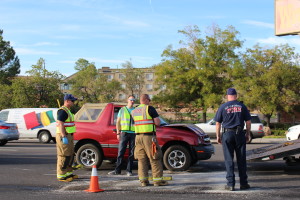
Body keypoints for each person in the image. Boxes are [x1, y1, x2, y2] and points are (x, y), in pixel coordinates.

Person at [215, 88, 251, 191]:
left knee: (229, 160)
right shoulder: (242, 106)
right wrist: (247, 134)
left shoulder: (222, 107)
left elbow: (218, 123)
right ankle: (244, 183)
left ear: (227, 96)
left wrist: (218, 136)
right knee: (241, 159)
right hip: (239, 134)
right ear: (236, 95)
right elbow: (248, 122)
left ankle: (231, 184)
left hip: (227, 134)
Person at [131, 94, 168, 187]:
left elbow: (133, 124)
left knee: (141, 160)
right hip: (149, 137)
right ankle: (158, 181)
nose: (150, 101)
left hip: (138, 138)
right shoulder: (149, 109)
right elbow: (157, 122)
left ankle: (143, 181)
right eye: (149, 100)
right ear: (146, 100)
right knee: (155, 158)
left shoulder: (134, 111)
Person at [108, 95, 136, 176]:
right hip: (124, 133)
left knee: (131, 153)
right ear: (128, 100)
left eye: (134, 100)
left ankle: (129, 170)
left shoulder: (135, 110)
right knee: (121, 151)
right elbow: (118, 122)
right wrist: (118, 132)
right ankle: (117, 170)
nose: (132, 101)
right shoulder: (122, 110)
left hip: (133, 133)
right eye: (131, 99)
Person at [56, 94, 78, 182]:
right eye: (72, 101)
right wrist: (63, 135)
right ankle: (61, 175)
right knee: (63, 155)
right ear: (67, 101)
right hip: (64, 135)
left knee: (70, 154)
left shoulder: (68, 111)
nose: (73, 102)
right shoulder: (63, 111)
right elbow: (60, 123)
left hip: (69, 135)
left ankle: (68, 173)